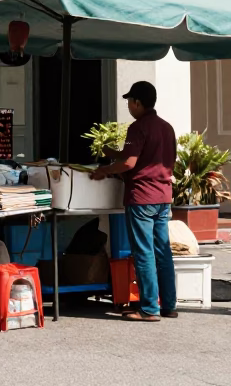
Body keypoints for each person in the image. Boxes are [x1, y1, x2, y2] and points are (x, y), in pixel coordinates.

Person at [92, 81, 178, 322]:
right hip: (163, 196)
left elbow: (130, 164)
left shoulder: (138, 127)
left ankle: (149, 308)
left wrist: (105, 170)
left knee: (143, 253)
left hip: (141, 197)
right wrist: (112, 153)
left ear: (138, 103)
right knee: (163, 252)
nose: (129, 106)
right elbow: (137, 155)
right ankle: (169, 305)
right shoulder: (166, 127)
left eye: (130, 102)